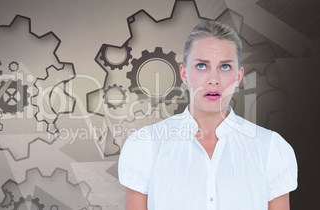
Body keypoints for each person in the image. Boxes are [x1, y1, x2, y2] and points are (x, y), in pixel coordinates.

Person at [118, 21, 298, 210]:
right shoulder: (147, 145)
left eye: (225, 67)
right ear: (184, 72)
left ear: (239, 76)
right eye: (202, 66)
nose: (213, 80)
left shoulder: (270, 149)